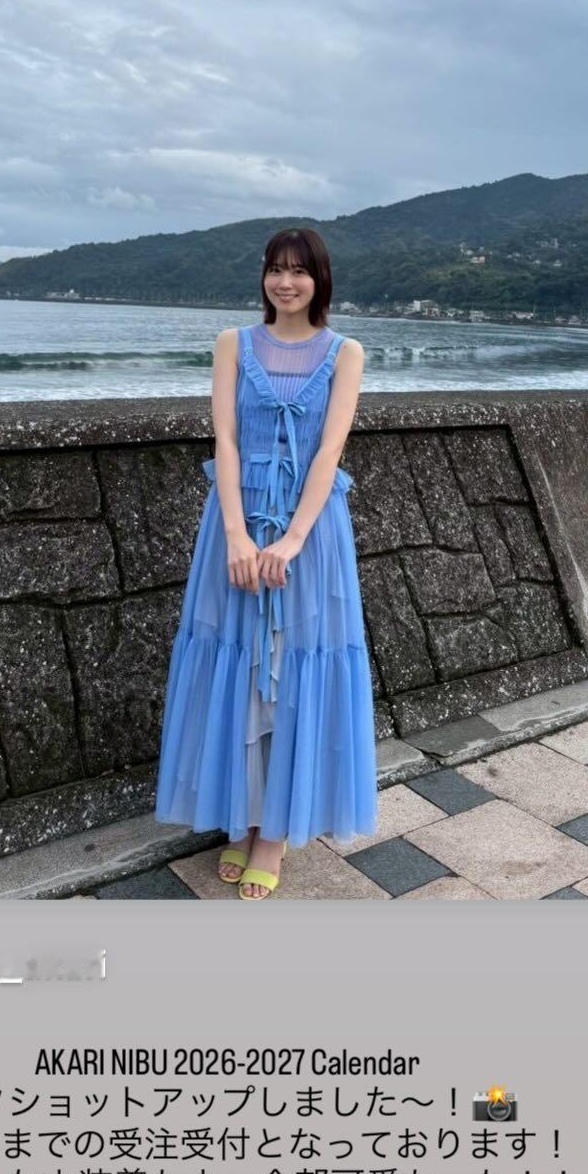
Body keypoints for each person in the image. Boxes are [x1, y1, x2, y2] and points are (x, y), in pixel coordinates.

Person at [155, 227, 379, 898]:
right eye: (276, 270)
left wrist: (291, 540)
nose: (286, 282)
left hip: (311, 532)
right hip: (236, 520)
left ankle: (274, 831)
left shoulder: (345, 353)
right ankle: (241, 813)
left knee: (293, 670)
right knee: (237, 667)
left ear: (319, 279)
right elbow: (224, 439)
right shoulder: (233, 343)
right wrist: (236, 535)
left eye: (299, 271)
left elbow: (330, 452)